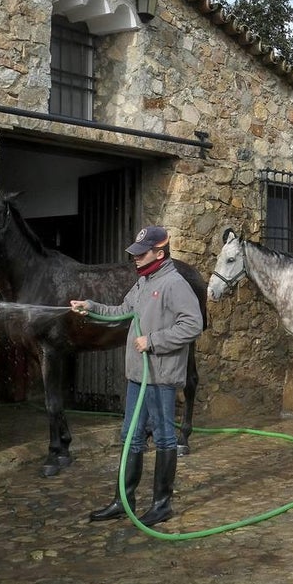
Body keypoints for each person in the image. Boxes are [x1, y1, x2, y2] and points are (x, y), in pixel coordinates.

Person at [71, 225, 203, 526]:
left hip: (160, 375)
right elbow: (121, 311)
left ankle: (162, 504)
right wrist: (89, 308)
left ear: (160, 252)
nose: (135, 259)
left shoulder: (174, 283)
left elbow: (192, 325)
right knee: (130, 436)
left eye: (141, 254)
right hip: (137, 376)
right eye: (135, 254)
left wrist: (154, 341)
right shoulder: (143, 282)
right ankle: (123, 501)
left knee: (165, 437)